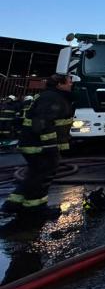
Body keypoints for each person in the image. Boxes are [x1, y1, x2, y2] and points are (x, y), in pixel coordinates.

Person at [1, 74, 74, 219]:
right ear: (59, 84)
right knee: (42, 178)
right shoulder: (52, 98)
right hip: (40, 146)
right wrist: (50, 146)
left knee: (34, 175)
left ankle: (13, 204)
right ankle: (36, 209)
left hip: (35, 145)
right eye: (69, 82)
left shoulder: (51, 96)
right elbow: (42, 123)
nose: (71, 84)